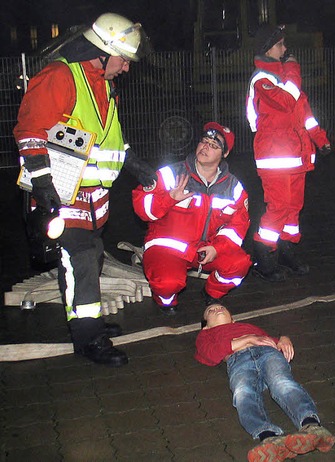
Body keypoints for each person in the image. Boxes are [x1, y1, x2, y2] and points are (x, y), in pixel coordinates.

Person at [13, 12, 156, 367]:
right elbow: (30, 132)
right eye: (124, 60)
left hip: (95, 199)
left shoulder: (102, 84)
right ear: (103, 51)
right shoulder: (60, 77)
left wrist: (133, 163)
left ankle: (87, 319)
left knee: (91, 258)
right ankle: (88, 338)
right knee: (79, 263)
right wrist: (43, 185)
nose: (125, 69)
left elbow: (111, 140)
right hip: (63, 196)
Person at [132, 123, 252, 315]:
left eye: (214, 145)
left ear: (225, 154)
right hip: (168, 248)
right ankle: (166, 301)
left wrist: (216, 248)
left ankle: (212, 293)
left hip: (205, 249)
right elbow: (143, 210)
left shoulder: (233, 188)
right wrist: (169, 199)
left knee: (239, 264)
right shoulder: (171, 174)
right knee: (168, 283)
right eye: (204, 141)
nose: (206, 146)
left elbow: (238, 225)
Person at [195, 304, 335, 462]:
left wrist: (283, 339)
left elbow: (268, 340)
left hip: (267, 353)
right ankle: (269, 438)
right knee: (243, 393)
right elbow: (211, 354)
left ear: (233, 319)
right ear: (205, 326)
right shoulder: (205, 335)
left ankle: (312, 427)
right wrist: (248, 339)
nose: (218, 309)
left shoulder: (247, 326)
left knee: (282, 382)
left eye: (222, 307)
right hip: (238, 360)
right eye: (210, 311)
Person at [246, 24, 331, 282]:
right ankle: (262, 256)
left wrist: (321, 140)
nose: (285, 49)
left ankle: (286, 251)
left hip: (296, 156)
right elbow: (286, 101)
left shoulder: (285, 79)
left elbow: (305, 115)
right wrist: (293, 69)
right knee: (279, 207)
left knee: (293, 208)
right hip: (274, 158)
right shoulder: (262, 79)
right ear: (269, 47)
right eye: (281, 44)